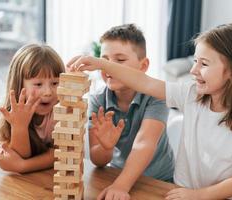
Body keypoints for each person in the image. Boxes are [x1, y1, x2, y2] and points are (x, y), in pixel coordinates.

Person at [69, 23, 232, 200]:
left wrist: (199, 196)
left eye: (204, 64)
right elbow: (144, 81)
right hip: (182, 191)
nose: (193, 71)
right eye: (195, 61)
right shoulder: (191, 94)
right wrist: (100, 63)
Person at [67, 24, 175, 200]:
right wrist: (106, 147)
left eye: (120, 60)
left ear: (143, 65)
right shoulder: (97, 99)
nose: (110, 68)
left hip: (159, 181)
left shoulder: (157, 95)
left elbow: (144, 143)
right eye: (104, 60)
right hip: (116, 175)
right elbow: (99, 159)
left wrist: (121, 185)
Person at [0, 44, 65, 173]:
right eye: (38, 84)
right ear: (19, 84)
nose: (48, 92)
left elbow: (60, 153)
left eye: (55, 83)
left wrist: (23, 166)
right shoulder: (6, 110)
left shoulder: (61, 111)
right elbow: (19, 156)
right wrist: (19, 126)